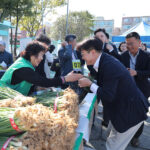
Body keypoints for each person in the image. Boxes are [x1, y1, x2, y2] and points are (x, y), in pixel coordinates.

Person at [78, 38, 149, 150]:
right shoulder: (104, 61)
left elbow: (107, 95)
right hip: (123, 109)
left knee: (113, 146)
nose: (82, 58)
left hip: (131, 113)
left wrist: (90, 84)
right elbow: (107, 84)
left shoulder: (108, 65)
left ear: (92, 52)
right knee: (110, 138)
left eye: (83, 54)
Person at [0, 41, 82, 96]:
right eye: (41, 55)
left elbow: (22, 83)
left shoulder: (26, 63)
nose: (42, 58)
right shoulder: (23, 68)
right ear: (32, 54)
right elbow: (43, 81)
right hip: (5, 98)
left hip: (13, 97)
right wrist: (65, 79)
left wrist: (37, 88)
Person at [120, 32, 150, 147]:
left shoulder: (147, 56)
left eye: (131, 43)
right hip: (126, 90)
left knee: (140, 114)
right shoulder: (122, 56)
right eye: (127, 44)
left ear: (139, 43)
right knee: (125, 113)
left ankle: (136, 137)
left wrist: (136, 73)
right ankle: (125, 135)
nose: (129, 46)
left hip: (142, 90)